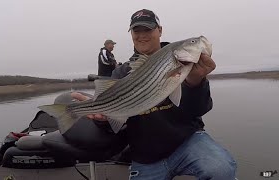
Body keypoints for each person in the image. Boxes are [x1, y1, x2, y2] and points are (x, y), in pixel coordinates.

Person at [73, 9, 237, 180]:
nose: (142, 35)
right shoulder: (121, 73)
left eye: (148, 29)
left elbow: (199, 109)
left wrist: (195, 82)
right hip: (146, 157)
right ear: (131, 35)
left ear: (160, 30)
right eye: (137, 31)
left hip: (188, 142)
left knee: (221, 169)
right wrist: (102, 117)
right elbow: (113, 124)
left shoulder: (186, 63)